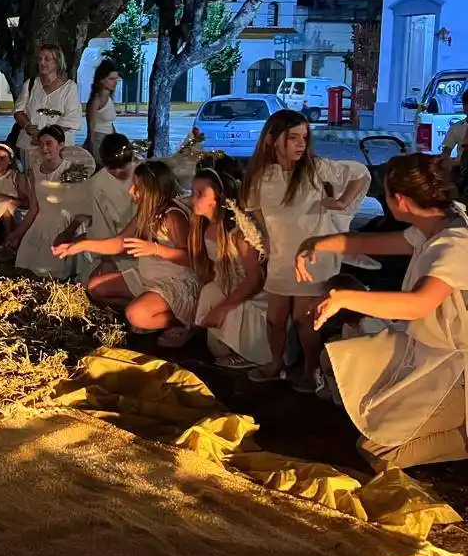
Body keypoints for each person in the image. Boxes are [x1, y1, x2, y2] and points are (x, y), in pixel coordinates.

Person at [297, 153, 468, 469]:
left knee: (378, 452)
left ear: (400, 200)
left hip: (452, 366)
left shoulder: (453, 244)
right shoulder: (438, 222)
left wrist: (344, 297)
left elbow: (419, 303)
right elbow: (373, 242)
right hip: (425, 351)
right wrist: (317, 243)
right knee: (356, 391)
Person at [241, 109, 369, 390]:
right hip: (280, 256)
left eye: (304, 138)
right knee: (275, 317)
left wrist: (341, 202)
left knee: (304, 317)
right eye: (293, 138)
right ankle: (276, 363)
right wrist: (265, 243)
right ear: (272, 139)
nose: (301, 144)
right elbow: (256, 213)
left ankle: (312, 370)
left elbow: (359, 174)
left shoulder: (315, 168)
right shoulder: (260, 176)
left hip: (313, 257)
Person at [54, 160, 199, 339]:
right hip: (148, 277)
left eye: (137, 187)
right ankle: (148, 310)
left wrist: (155, 249)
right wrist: (78, 246)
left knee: (135, 316)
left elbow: (192, 258)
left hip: (175, 282)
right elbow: (119, 243)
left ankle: (188, 322)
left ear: (152, 190)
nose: (131, 191)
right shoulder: (145, 213)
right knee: (94, 287)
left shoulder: (173, 217)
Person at [189, 155, 270, 370]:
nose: (192, 199)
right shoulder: (206, 227)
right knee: (209, 291)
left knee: (230, 306)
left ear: (217, 198)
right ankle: (225, 345)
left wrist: (221, 309)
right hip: (229, 284)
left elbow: (255, 281)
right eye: (192, 192)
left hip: (254, 293)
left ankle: (252, 353)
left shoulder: (239, 232)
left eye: (200, 194)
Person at [10, 125, 96, 279]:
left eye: (49, 143)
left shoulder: (74, 171)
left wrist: (68, 234)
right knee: (25, 266)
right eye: (41, 144)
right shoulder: (35, 170)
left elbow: (84, 210)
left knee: (53, 273)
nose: (44, 148)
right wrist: (18, 233)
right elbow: (34, 208)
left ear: (61, 145)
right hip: (40, 225)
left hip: (65, 225)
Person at [75, 134, 138, 281]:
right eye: (112, 169)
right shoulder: (98, 183)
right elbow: (101, 222)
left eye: (122, 167)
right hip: (116, 243)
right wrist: (107, 256)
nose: (117, 172)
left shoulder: (143, 173)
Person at [13, 43, 82, 166]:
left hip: (59, 150)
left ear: (57, 62)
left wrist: (45, 137)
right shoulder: (31, 84)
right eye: (40, 59)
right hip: (30, 147)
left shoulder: (69, 88)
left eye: (47, 59)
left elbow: (72, 119)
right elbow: (19, 111)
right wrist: (29, 128)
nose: (42, 63)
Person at [85, 59, 120, 156]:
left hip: (108, 142)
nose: (115, 82)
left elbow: (109, 124)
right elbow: (91, 130)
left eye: (116, 79)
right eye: (111, 79)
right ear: (101, 80)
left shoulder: (109, 98)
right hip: (98, 141)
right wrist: (94, 153)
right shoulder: (96, 100)